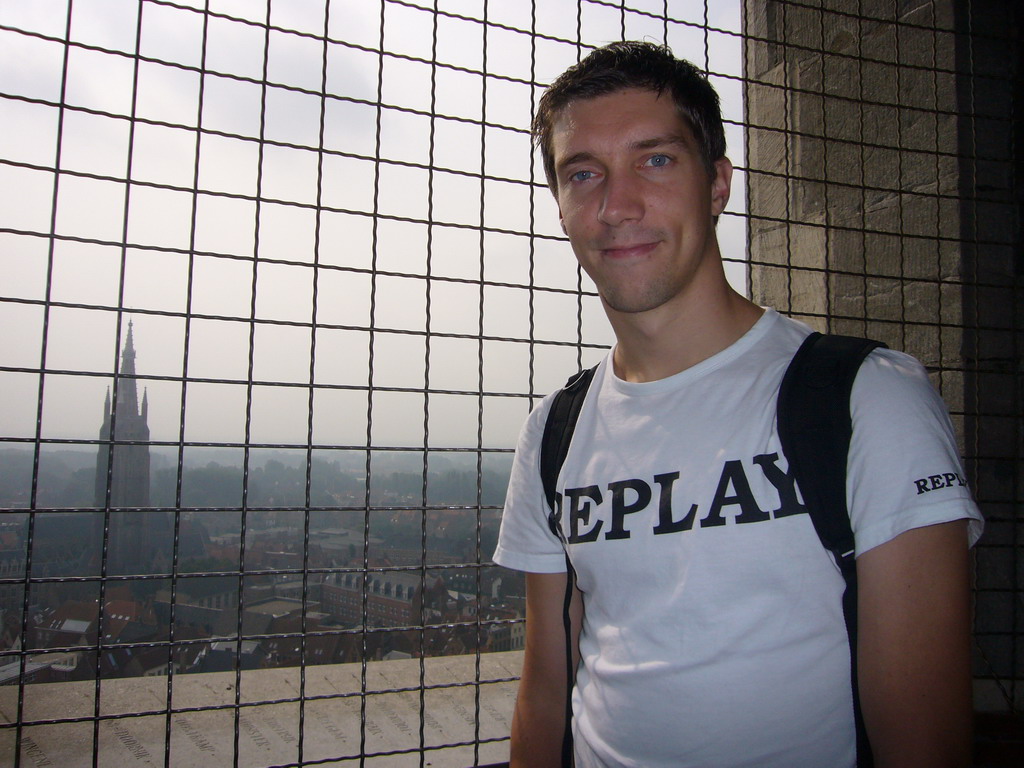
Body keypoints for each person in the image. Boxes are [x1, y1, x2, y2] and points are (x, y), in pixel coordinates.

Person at [492, 41, 983, 768]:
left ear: (718, 183)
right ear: (562, 208)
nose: (616, 205)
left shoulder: (867, 400)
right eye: (583, 173)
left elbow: (925, 742)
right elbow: (546, 689)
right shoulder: (555, 432)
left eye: (655, 160)